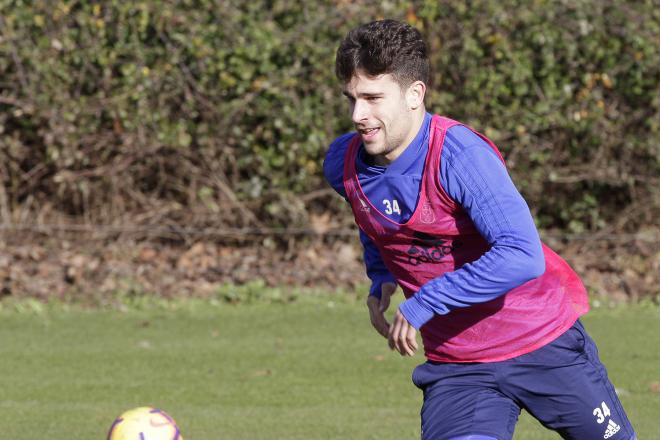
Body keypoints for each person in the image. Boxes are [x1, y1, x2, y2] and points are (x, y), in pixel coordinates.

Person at [323, 19, 635, 440]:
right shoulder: (344, 164)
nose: (358, 115)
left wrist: (423, 303)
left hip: (542, 343)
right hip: (459, 367)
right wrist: (380, 279)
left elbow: (520, 254)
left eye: (373, 98)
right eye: (352, 99)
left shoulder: (460, 156)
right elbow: (373, 222)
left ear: (415, 94)